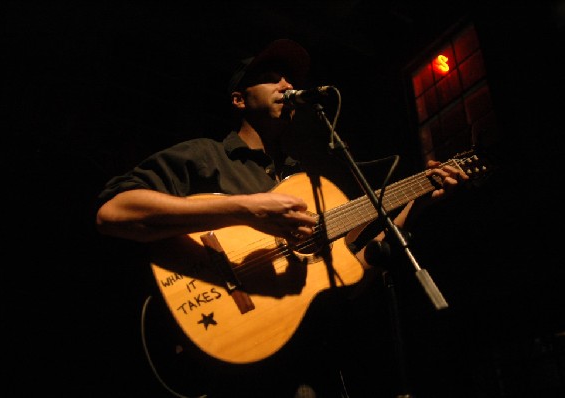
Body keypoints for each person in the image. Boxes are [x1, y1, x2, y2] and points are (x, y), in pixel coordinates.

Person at [95, 38, 469, 398]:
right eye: (271, 76)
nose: (287, 84)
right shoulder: (205, 156)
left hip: (307, 371)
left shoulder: (308, 185)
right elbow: (114, 213)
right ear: (239, 99)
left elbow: (347, 279)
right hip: (231, 372)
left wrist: (415, 206)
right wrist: (246, 209)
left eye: (290, 79)